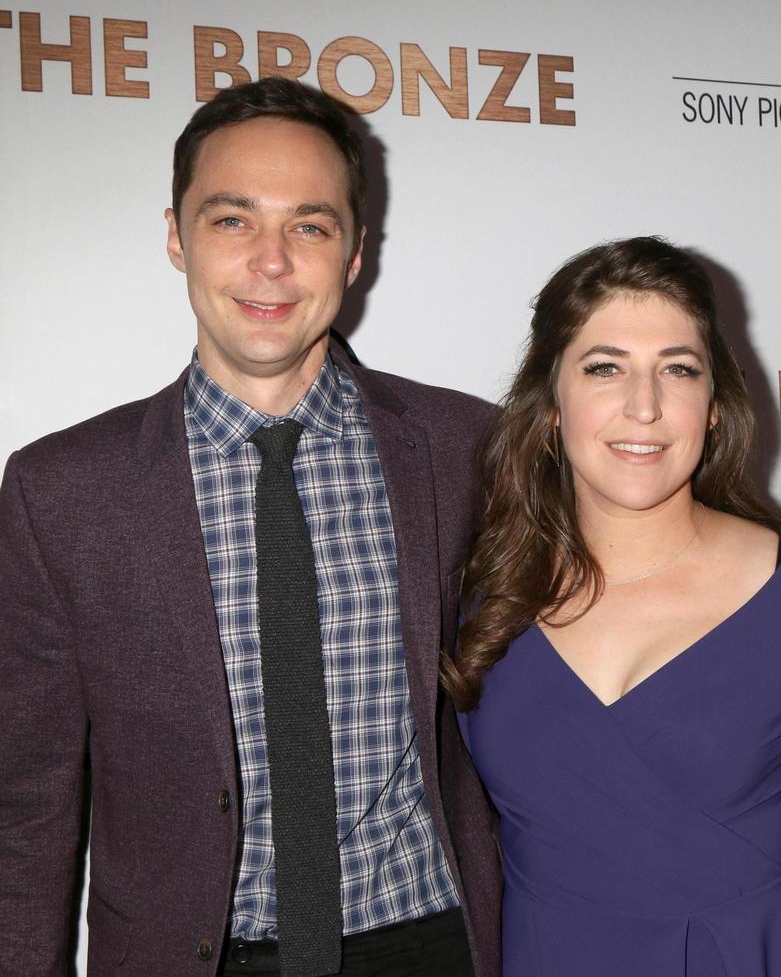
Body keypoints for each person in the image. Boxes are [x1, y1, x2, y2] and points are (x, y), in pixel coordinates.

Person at [0, 78, 500, 976]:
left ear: (354, 254)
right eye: (233, 221)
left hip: (433, 939)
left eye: (310, 225)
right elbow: (25, 804)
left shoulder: (466, 447)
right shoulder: (60, 491)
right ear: (174, 236)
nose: (271, 263)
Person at [444, 236, 781, 975]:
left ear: (713, 406)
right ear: (551, 404)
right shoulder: (481, 594)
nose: (643, 407)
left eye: (678, 370)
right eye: (605, 368)